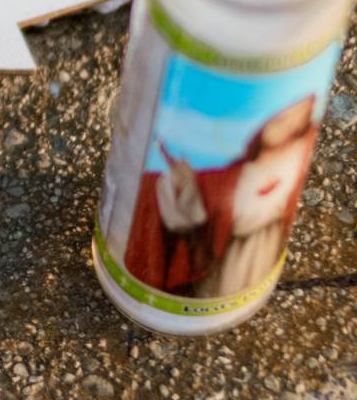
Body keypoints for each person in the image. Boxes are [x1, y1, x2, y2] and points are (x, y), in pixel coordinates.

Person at [123, 95, 321, 301]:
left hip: (250, 264)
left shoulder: (289, 166)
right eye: (281, 114)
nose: (284, 118)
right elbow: (189, 209)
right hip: (221, 268)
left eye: (295, 116)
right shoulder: (223, 181)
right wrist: (185, 186)